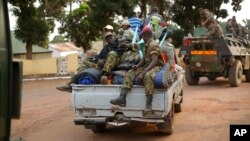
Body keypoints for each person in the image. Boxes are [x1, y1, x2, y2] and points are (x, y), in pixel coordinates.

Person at [110, 26, 164, 112]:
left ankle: (148, 104)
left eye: (142, 35)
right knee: (131, 72)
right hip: (147, 65)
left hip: (156, 66)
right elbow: (144, 59)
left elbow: (154, 61)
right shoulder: (146, 44)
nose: (141, 37)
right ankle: (122, 98)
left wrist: (142, 73)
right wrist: (137, 66)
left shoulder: (153, 44)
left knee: (148, 76)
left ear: (146, 35)